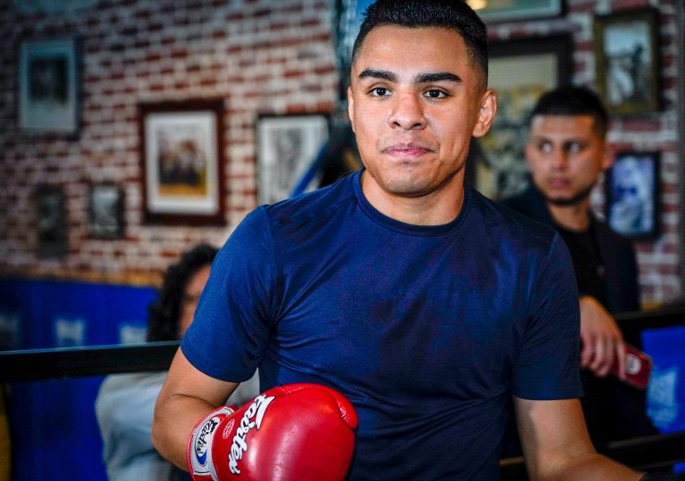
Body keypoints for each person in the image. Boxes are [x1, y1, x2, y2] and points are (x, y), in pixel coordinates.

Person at [151, 1, 650, 479]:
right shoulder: (274, 240)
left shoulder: (532, 258)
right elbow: (174, 411)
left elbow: (561, 460)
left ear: (482, 112)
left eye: (436, 92)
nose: (405, 114)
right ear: (353, 106)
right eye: (380, 90)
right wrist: (233, 450)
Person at [500, 86, 659, 446]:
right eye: (544, 146)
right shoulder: (499, 227)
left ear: (606, 155)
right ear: (528, 153)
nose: (557, 162)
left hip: (610, 441)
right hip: (525, 447)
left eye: (573, 147)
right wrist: (572, 306)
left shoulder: (617, 248)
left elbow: (626, 358)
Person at [95, 243, 259, 481]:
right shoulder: (126, 384)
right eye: (201, 299)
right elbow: (166, 413)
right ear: (176, 308)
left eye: (224, 301)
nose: (215, 312)